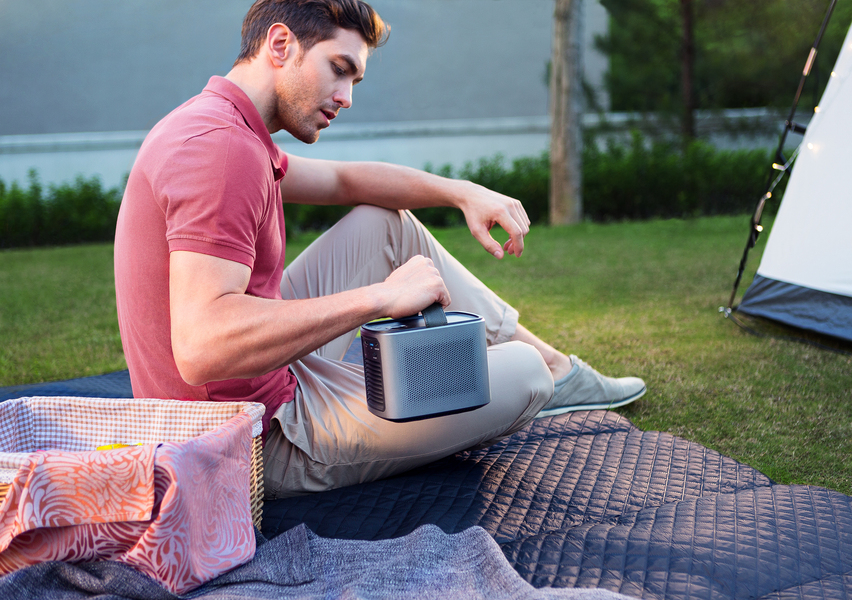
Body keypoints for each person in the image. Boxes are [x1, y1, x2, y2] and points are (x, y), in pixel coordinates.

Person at [114, 0, 646, 498]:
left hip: (254, 386)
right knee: (524, 374)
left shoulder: (221, 125)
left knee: (382, 222)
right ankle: (546, 372)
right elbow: (202, 348)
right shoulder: (222, 151)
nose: (346, 96)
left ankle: (559, 370)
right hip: (244, 438)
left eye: (354, 79)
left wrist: (462, 192)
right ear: (280, 45)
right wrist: (380, 298)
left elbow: (345, 180)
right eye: (339, 69)